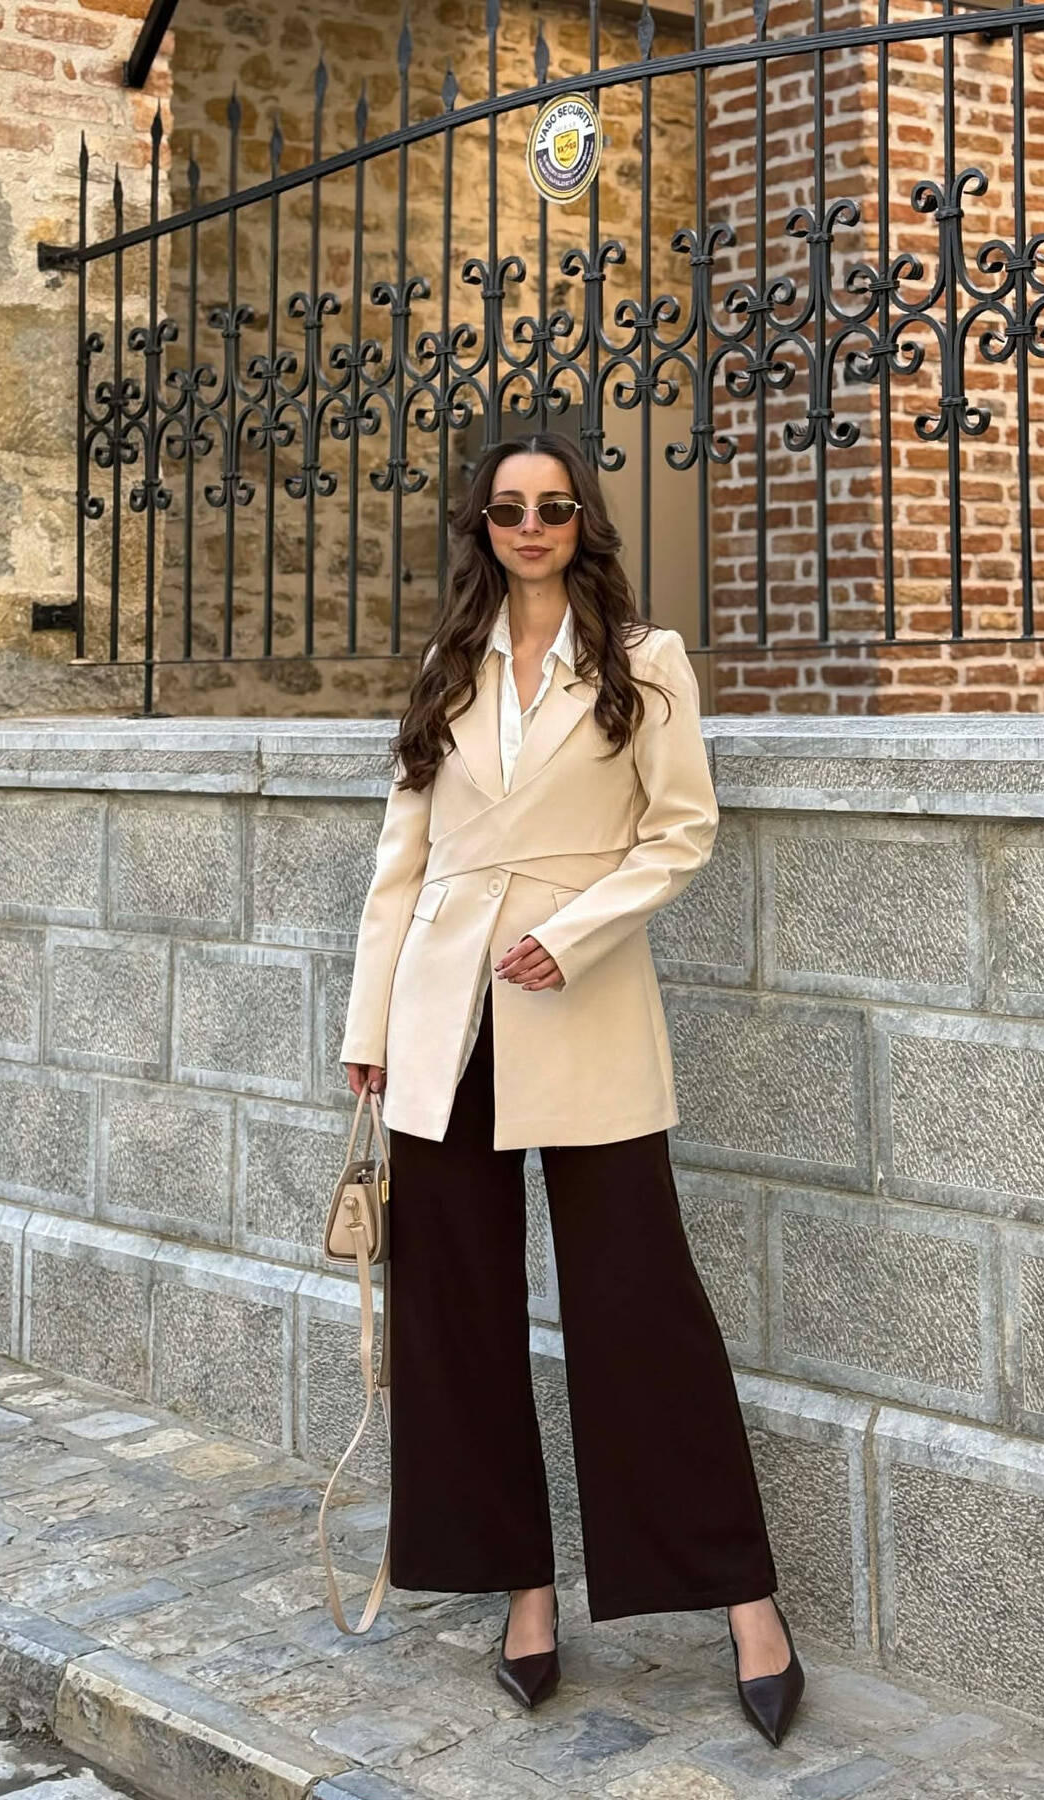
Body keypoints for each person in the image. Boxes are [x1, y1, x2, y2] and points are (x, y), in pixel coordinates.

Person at [339, 429, 804, 1747]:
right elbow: (399, 861)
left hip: (577, 998)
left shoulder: (646, 663)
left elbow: (681, 831)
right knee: (459, 1319)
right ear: (482, 528)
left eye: (552, 506)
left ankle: (745, 1603)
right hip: (443, 1017)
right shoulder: (447, 669)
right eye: (507, 508)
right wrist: (369, 1027)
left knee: (638, 1306)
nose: (531, 526)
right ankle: (526, 1591)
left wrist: (577, 930)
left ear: (582, 522)